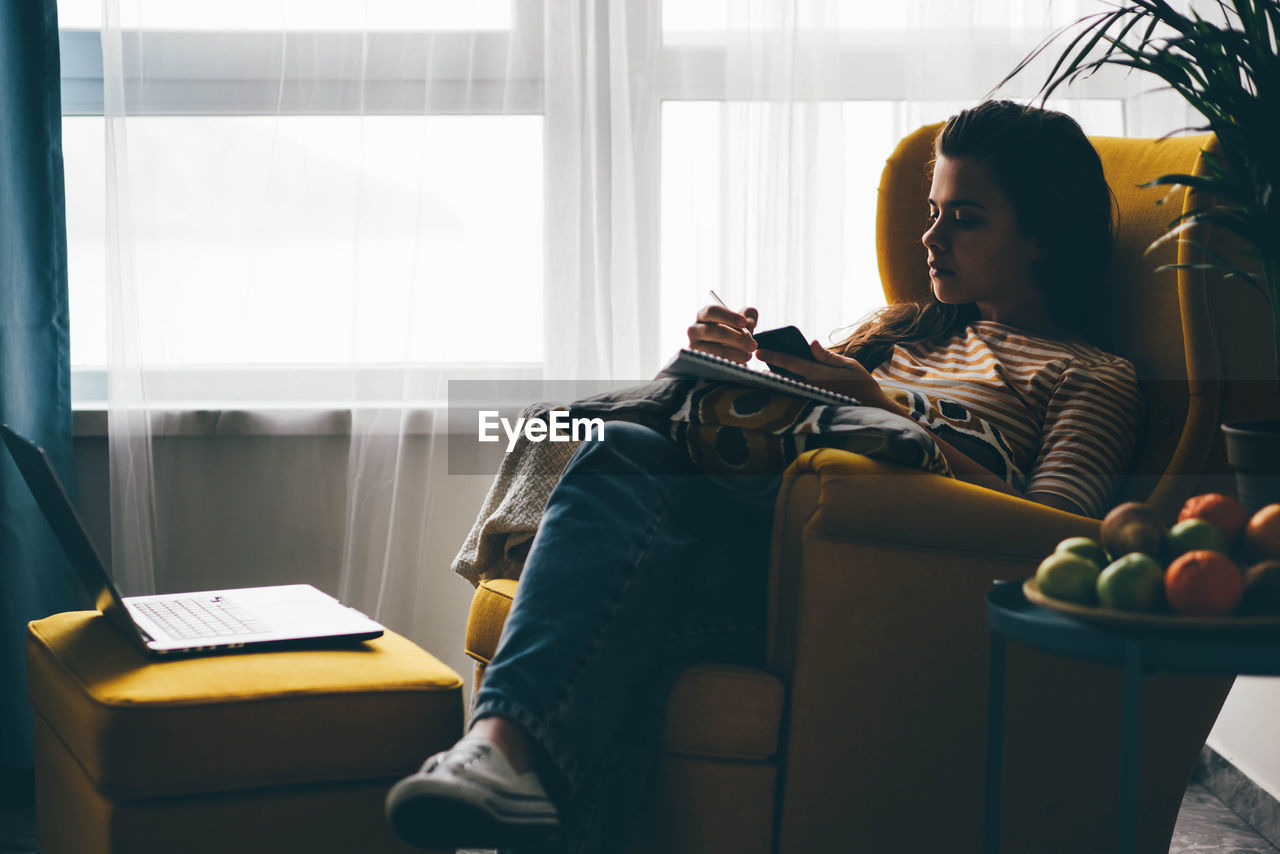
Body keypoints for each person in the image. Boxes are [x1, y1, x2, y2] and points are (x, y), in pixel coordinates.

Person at [383, 100, 1143, 852]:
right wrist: (715, 374)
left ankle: (498, 749)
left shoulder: (1090, 376)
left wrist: (883, 411)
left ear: (1041, 235)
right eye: (933, 210)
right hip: (733, 533)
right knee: (623, 452)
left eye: (965, 218)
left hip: (856, 586)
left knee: (606, 614)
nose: (930, 237)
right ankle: (502, 753)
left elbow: (1052, 537)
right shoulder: (894, 333)